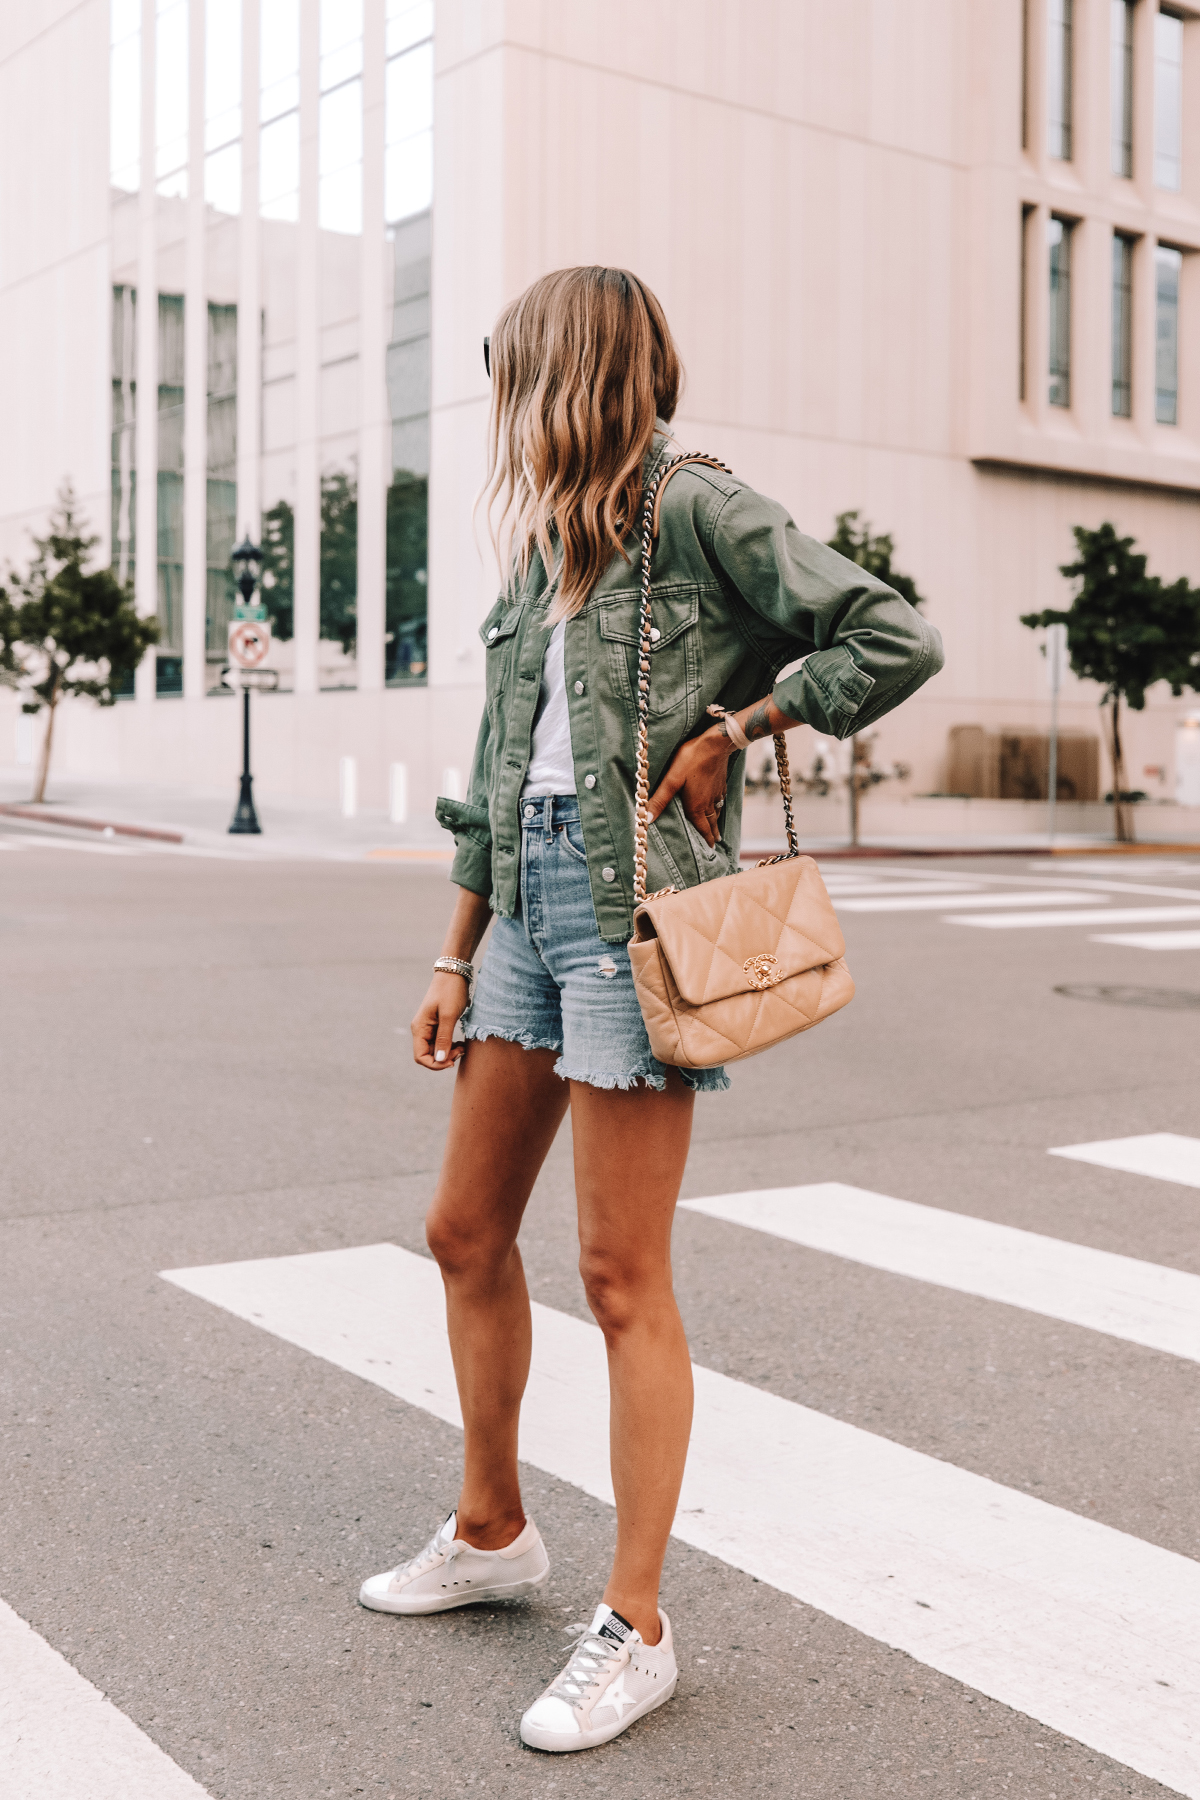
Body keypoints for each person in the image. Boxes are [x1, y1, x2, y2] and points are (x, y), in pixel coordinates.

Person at [359, 267, 943, 1752]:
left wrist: (743, 724)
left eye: (516, 382)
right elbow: (501, 784)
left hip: (632, 918)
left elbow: (891, 634)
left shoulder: (696, 509)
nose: (505, 412)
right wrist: (452, 952)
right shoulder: (545, 554)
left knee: (622, 1274)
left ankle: (637, 1623)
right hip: (526, 917)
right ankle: (494, 1530)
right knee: (463, 1232)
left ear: (572, 375)